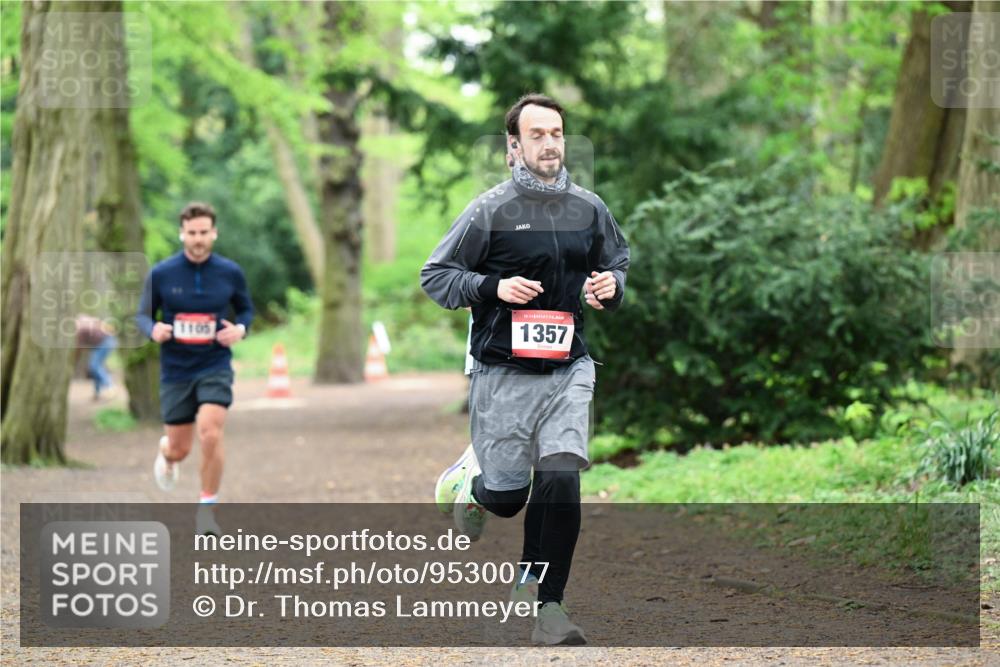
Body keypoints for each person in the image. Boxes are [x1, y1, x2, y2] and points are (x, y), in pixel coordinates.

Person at [422, 93, 629, 645]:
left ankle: (548, 607)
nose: (549, 144)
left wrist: (611, 286)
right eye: (536, 134)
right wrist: (492, 287)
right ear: (513, 146)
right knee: (511, 496)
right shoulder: (489, 210)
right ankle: (472, 487)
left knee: (561, 476)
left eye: (556, 133)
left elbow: (616, 260)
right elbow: (436, 276)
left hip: (568, 368)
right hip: (503, 373)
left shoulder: (589, 207)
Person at [136, 202, 253, 536]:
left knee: (211, 433)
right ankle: (167, 453)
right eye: (192, 233)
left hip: (215, 363)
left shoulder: (230, 272)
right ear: (182, 233)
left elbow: (246, 310)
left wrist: (240, 330)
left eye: (204, 232)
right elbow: (142, 314)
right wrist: (152, 330)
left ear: (213, 233)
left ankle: (206, 511)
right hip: (176, 369)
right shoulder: (162, 273)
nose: (198, 239)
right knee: (181, 448)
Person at [76, 314, 118, 400]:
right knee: (96, 367)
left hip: (105, 342)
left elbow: (79, 347)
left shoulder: (80, 329)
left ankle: (110, 386)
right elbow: (100, 323)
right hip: (105, 341)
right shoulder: (85, 319)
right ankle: (97, 393)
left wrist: (75, 359)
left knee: (94, 366)